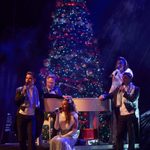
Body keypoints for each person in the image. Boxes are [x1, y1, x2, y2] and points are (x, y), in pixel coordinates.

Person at [99, 56, 133, 145]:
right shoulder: (116, 72)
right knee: (116, 120)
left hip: (124, 98)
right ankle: (116, 140)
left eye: (121, 63)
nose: (119, 65)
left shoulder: (127, 72)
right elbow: (113, 85)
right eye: (118, 63)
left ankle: (123, 140)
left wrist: (107, 95)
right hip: (114, 97)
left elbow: (121, 85)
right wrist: (108, 95)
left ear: (125, 64)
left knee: (123, 120)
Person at [15, 71, 40, 150]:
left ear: (34, 80)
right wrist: (23, 93)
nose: (27, 80)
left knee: (31, 137)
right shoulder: (20, 89)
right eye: (26, 78)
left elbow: (38, 101)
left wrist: (38, 105)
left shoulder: (36, 89)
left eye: (30, 78)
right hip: (21, 115)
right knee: (21, 138)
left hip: (31, 116)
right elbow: (17, 101)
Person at [116, 72, 140, 150]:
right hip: (122, 113)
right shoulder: (120, 87)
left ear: (130, 79)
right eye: (123, 78)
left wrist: (125, 92)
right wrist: (105, 96)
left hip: (131, 113)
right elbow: (114, 95)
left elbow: (133, 99)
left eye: (126, 78)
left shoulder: (136, 88)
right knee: (119, 134)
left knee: (131, 135)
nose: (124, 79)